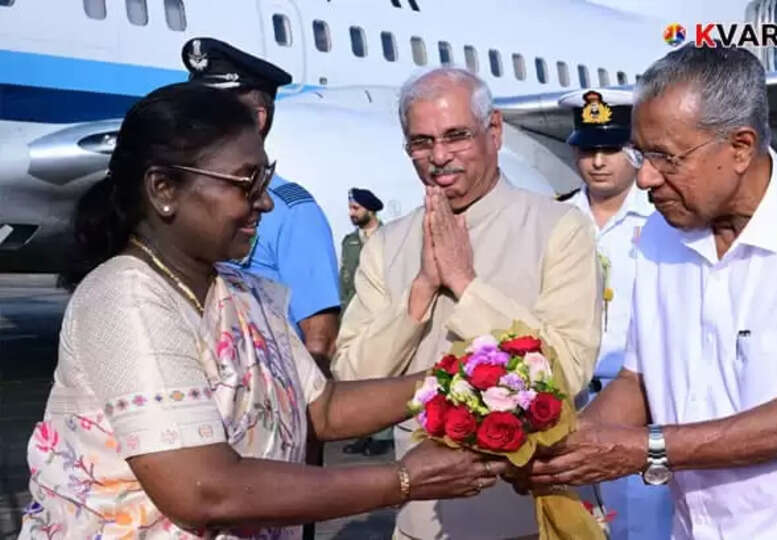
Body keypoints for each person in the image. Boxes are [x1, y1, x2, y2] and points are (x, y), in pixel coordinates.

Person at [19, 84, 507, 539]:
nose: (266, 202)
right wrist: (402, 480)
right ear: (164, 189)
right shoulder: (125, 298)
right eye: (246, 183)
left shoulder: (241, 290)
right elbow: (206, 490)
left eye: (265, 179)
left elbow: (321, 409)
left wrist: (458, 378)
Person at [522, 44, 777, 539]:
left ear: (740, 147)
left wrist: (646, 449)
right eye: (640, 154)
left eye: (665, 157)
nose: (646, 178)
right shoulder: (661, 236)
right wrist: (561, 447)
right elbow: (640, 381)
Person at [332, 67, 603, 539]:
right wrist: (420, 292)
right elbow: (352, 383)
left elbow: (567, 371)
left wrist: (465, 283)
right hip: (421, 521)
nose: (439, 156)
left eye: (456, 136)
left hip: (529, 518)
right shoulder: (387, 245)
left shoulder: (558, 227)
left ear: (494, 130)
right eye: (422, 142)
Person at [182, 37, 341, 371]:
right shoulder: (191, 202)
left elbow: (320, 340)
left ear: (257, 119)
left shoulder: (292, 212)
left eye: (213, 110)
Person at [558, 88, 670, 540]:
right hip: (571, 400)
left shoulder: (662, 218)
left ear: (634, 151)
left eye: (610, 149)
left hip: (643, 400)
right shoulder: (556, 218)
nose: (598, 162)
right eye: (588, 150)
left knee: (645, 525)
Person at [338, 187, 393, 456]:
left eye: (355, 208)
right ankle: (362, 433)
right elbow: (344, 281)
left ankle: (382, 436)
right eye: (350, 208)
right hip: (354, 317)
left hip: (382, 317)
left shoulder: (390, 238)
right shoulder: (349, 242)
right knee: (357, 378)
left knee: (382, 375)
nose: (351, 213)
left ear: (370, 209)